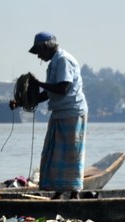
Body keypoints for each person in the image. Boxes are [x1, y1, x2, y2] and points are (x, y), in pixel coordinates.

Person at [10, 31, 88, 195]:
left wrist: (38, 83)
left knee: (70, 154)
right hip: (59, 112)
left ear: (46, 47)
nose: (39, 56)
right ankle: (58, 192)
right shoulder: (54, 63)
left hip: (72, 112)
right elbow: (48, 94)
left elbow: (62, 88)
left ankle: (74, 194)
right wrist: (21, 102)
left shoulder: (63, 60)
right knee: (54, 154)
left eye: (39, 52)